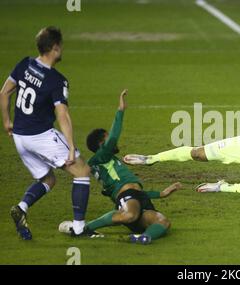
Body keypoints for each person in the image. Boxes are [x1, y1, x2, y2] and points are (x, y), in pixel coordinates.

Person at [0, 27, 91, 239]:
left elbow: (4, 92)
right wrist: (70, 148)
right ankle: (79, 228)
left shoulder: (24, 64)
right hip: (40, 137)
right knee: (82, 171)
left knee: (48, 179)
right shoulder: (56, 80)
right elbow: (63, 116)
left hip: (20, 138)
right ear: (55, 48)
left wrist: (6, 122)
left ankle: (21, 208)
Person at [66, 89, 182, 244]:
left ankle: (142, 238)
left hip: (140, 198)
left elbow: (135, 190)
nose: (113, 142)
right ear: (102, 144)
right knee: (129, 215)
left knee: (163, 222)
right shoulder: (100, 158)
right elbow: (114, 137)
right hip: (127, 198)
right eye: (107, 140)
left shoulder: (109, 160)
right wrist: (120, 111)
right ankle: (83, 228)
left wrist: (161, 194)